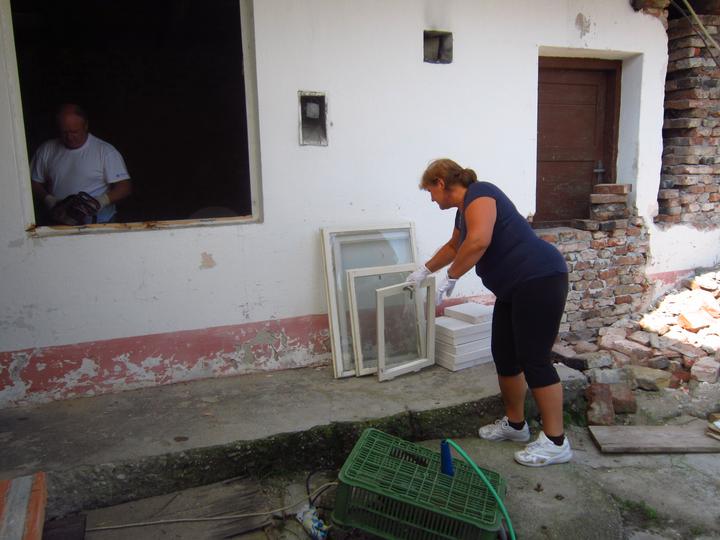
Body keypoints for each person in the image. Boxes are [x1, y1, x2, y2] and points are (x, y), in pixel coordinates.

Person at [406, 158, 571, 467]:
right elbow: (456, 246)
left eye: (430, 191)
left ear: (441, 183)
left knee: (534, 359)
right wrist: (424, 270)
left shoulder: (481, 193)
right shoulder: (463, 211)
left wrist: (452, 277)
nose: (431, 199)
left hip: (540, 278)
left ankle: (556, 442)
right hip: (514, 287)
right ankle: (516, 425)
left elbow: (479, 240)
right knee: (505, 356)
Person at [30, 104, 132, 225]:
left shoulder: (105, 151)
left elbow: (125, 187)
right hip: (60, 222)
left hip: (99, 223)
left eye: (74, 132)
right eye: (64, 132)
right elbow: (33, 182)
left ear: (86, 126)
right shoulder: (46, 149)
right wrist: (48, 199)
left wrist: (101, 201)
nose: (69, 137)